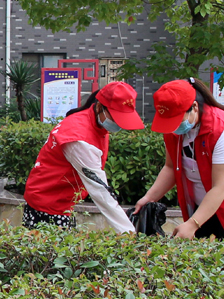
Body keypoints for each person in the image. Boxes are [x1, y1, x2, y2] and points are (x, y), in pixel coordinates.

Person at [132, 78, 224, 240]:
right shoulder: (174, 129)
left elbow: (222, 186)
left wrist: (192, 224)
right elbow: (171, 167)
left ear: (194, 107)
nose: (173, 127)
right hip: (204, 211)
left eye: (177, 120)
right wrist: (149, 198)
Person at [22, 81, 146, 232]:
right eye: (115, 118)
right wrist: (128, 232)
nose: (119, 124)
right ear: (99, 107)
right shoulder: (79, 138)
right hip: (48, 204)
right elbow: (100, 190)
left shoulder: (91, 121)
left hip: (56, 198)